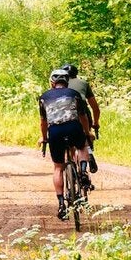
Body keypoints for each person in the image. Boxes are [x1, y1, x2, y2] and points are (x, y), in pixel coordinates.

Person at [38, 68, 93, 219]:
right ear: (67, 82)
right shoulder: (74, 94)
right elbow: (82, 116)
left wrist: (43, 137)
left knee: (58, 167)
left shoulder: (43, 97)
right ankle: (82, 172)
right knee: (82, 147)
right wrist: (87, 133)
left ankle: (62, 204)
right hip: (73, 127)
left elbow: (43, 122)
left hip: (55, 131)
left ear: (52, 83)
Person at [63, 63, 100, 174]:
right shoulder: (84, 83)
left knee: (69, 143)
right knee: (85, 136)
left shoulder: (60, 85)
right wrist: (96, 122)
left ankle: (72, 166)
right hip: (83, 113)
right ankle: (88, 153)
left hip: (65, 114)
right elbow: (95, 107)